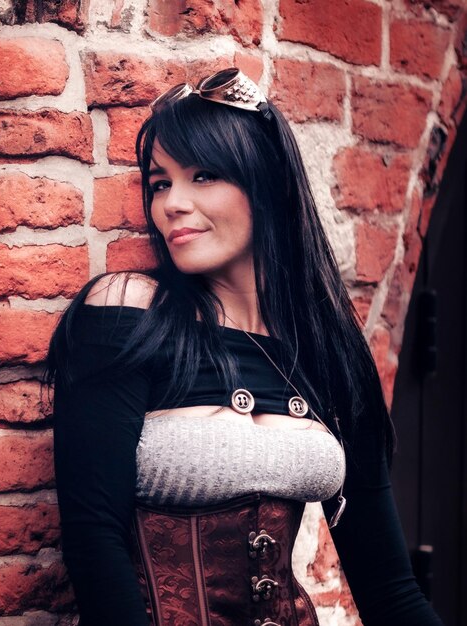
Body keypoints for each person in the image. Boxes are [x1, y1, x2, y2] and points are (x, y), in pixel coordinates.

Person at [45, 68, 444, 626]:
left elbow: (389, 589)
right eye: (160, 183)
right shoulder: (128, 312)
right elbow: (93, 544)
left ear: (267, 184)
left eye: (203, 175)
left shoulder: (328, 350)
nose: (171, 205)